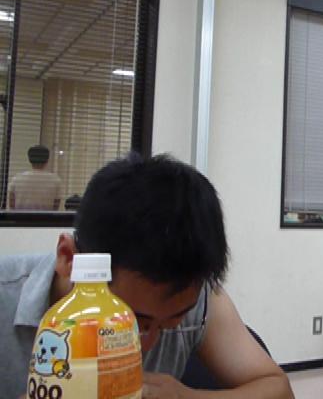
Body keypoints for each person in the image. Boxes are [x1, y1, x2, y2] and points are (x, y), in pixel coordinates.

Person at [0, 154, 294, 399]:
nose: (147, 344)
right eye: (136, 322)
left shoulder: (192, 299)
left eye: (171, 322)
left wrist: (185, 397)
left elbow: (278, 389)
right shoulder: (6, 296)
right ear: (69, 258)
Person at [7, 145, 62, 210]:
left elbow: (11, 205)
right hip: (45, 216)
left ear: (29, 159)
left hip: (20, 216)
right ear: (47, 160)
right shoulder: (55, 181)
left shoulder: (17, 179)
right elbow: (55, 208)